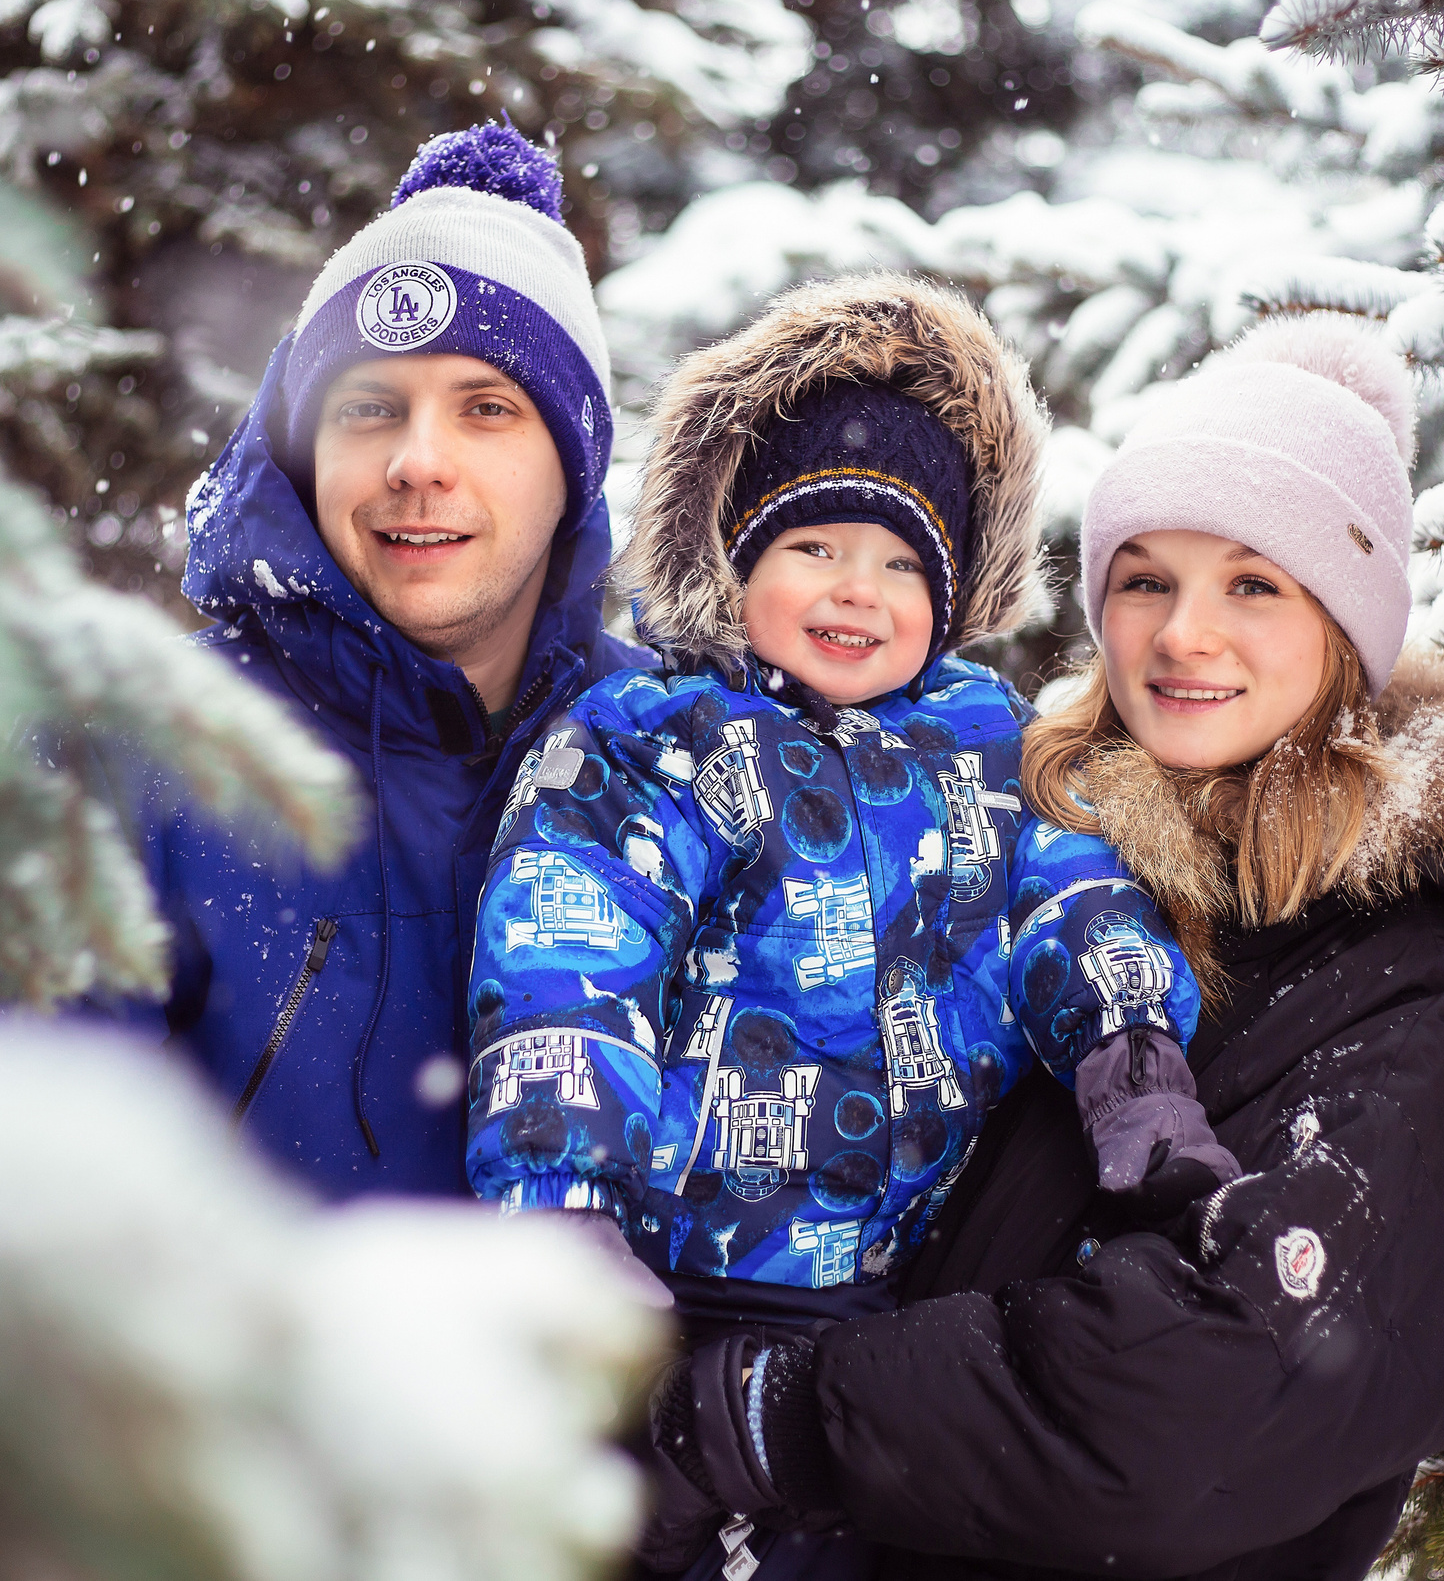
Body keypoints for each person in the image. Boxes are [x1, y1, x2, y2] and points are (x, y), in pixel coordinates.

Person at [637, 316, 1444, 1579]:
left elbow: (1206, 1398)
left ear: (1347, 628)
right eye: (1147, 579)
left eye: (1255, 582)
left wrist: (772, 1412)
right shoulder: (1016, 852)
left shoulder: (1393, 970)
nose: (1186, 634)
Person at [464, 272, 1236, 1578]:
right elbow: (570, 958)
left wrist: (1131, 1061)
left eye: (898, 561)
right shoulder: (657, 736)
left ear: (953, 589)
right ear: (736, 558)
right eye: (813, 547)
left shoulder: (990, 740)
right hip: (670, 1289)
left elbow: (1073, 896)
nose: (856, 590)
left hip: (894, 1294)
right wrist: (563, 1201)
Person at [0, 123, 646, 1198]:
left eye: (487, 409)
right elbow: (0, 1198)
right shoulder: (133, 752)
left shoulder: (679, 754)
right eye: (369, 408)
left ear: (574, 464)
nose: (416, 463)